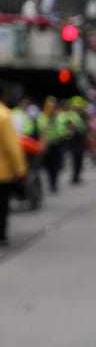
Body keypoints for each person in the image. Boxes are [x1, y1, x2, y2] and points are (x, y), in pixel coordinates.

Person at [0, 82, 27, 246]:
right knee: (1, 205)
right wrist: (20, 169)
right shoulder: (4, 115)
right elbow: (12, 147)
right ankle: (1, 235)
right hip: (2, 172)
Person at [63, 96, 88, 184]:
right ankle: (74, 176)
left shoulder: (82, 116)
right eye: (74, 107)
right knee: (74, 159)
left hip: (80, 141)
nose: (76, 109)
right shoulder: (70, 116)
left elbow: (85, 128)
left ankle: (77, 176)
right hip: (73, 141)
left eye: (77, 107)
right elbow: (68, 129)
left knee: (79, 159)